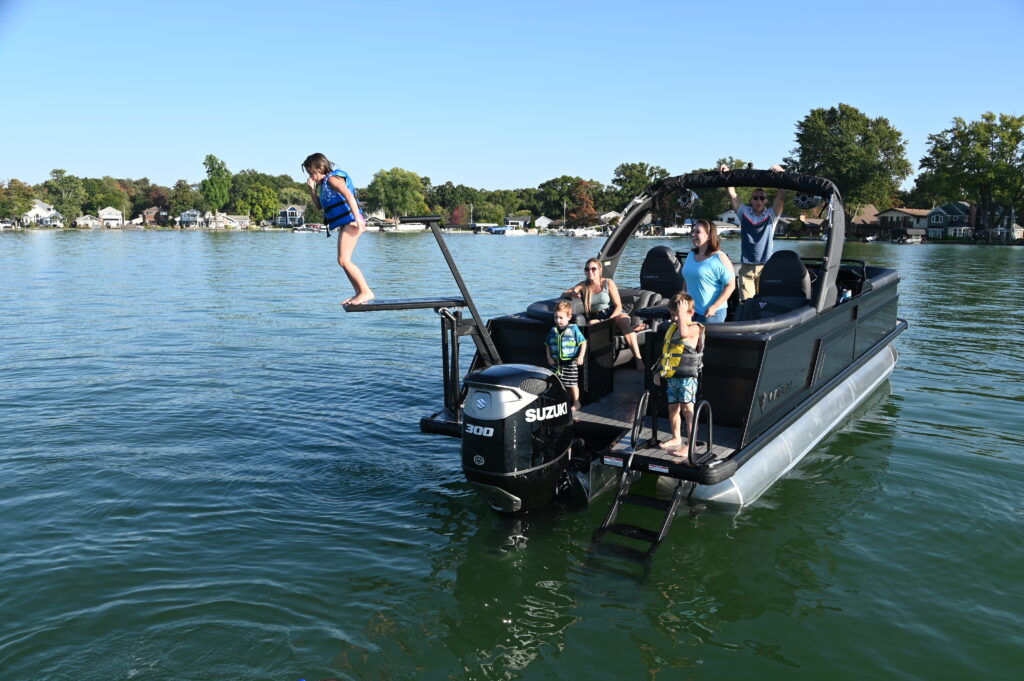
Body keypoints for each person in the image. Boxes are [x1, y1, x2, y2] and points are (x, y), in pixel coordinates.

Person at [302, 153, 373, 305]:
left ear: (320, 168)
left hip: (352, 221)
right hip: (347, 222)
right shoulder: (324, 185)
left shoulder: (333, 179)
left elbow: (348, 195)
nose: (311, 177)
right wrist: (312, 189)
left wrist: (358, 221)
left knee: (343, 260)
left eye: (312, 173)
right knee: (342, 261)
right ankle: (359, 293)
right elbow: (319, 206)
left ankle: (366, 292)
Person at [562, 258, 644, 370]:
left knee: (622, 321)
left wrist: (609, 320)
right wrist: (573, 293)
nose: (590, 271)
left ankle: (638, 360)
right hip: (598, 316)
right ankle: (630, 329)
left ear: (600, 270)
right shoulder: (584, 285)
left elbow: (618, 306)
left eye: (593, 269)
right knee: (591, 323)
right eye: (587, 269)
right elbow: (564, 293)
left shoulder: (608, 283)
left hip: (614, 312)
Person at [719, 163, 786, 301]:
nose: (758, 200)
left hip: (766, 267)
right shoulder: (744, 213)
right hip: (747, 268)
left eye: (762, 198)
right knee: (747, 304)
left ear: (766, 201)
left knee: (765, 303)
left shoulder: (771, 215)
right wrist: (726, 173)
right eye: (755, 198)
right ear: (751, 200)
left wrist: (782, 173)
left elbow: (781, 196)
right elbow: (732, 194)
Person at [653, 293, 704, 458]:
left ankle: (691, 445)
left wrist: (682, 313)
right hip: (673, 376)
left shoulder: (694, 327)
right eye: (673, 315)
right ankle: (676, 438)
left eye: (678, 314)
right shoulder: (672, 328)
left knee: (687, 409)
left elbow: (684, 334)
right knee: (672, 408)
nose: (675, 318)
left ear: (691, 312)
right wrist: (658, 371)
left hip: (687, 378)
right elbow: (666, 352)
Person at [682, 218, 736, 324]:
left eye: (698, 232)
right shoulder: (690, 255)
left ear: (709, 236)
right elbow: (686, 279)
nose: (693, 234)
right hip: (691, 312)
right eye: (693, 231)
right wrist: (683, 300)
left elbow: (730, 285)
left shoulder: (720, 258)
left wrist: (714, 307)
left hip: (711, 314)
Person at [545, 300, 587, 410]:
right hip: (556, 362)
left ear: (569, 317)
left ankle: (577, 402)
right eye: (555, 318)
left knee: (572, 383)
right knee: (558, 382)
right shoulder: (553, 330)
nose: (558, 320)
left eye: (561, 318)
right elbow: (548, 344)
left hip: (570, 362)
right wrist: (549, 357)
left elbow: (583, 342)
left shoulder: (573, 329)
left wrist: (581, 356)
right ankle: (562, 401)